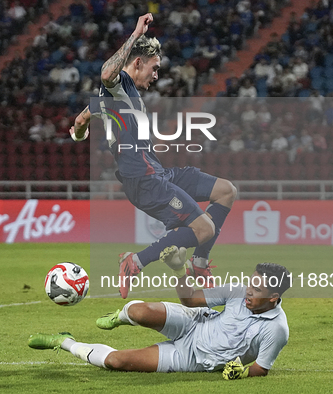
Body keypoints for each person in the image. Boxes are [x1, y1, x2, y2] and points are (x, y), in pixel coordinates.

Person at [69, 13, 237, 298]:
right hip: (142, 178)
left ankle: (199, 265)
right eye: (154, 68)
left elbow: (89, 111)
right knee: (205, 229)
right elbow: (106, 74)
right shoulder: (119, 83)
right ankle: (135, 261)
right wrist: (135, 33)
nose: (157, 75)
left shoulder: (125, 95)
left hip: (156, 171)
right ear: (137, 62)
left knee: (226, 191)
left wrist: (79, 128)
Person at [29, 262, 290, 378]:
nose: (248, 291)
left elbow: (262, 368)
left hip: (193, 359)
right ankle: (121, 316)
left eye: (256, 290)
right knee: (139, 312)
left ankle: (64, 341)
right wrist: (179, 270)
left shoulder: (277, 329)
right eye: (250, 283)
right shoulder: (237, 290)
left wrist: (242, 372)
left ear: (273, 297)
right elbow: (189, 299)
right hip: (195, 322)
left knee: (116, 361)